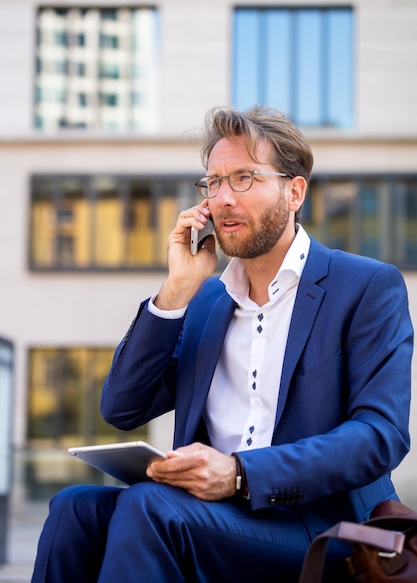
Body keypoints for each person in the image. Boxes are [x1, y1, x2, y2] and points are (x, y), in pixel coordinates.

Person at [31, 106, 413, 583]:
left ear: (294, 191)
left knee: (151, 508)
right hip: (209, 514)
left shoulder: (365, 286)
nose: (222, 199)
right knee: (75, 508)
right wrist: (175, 292)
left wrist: (239, 473)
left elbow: (381, 435)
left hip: (322, 523)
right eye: (212, 183)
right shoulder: (206, 299)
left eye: (244, 178)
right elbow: (122, 407)